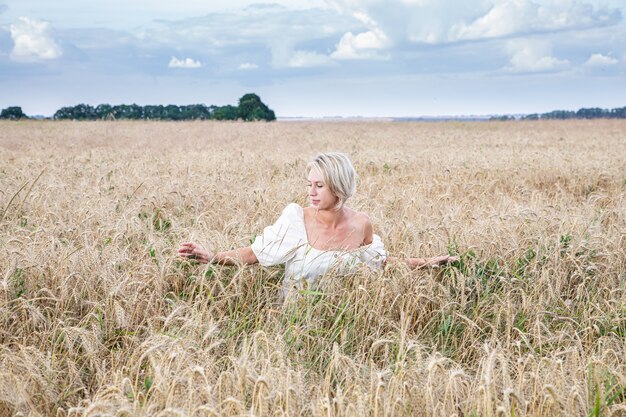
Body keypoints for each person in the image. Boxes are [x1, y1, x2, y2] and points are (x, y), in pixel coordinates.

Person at [178, 152, 458, 296]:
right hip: (297, 323)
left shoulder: (361, 224)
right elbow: (253, 254)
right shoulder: (295, 218)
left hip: (344, 322)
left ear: (338, 186)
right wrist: (211, 257)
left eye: (319, 185)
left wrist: (427, 262)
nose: (311, 192)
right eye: (309, 184)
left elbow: (381, 262)